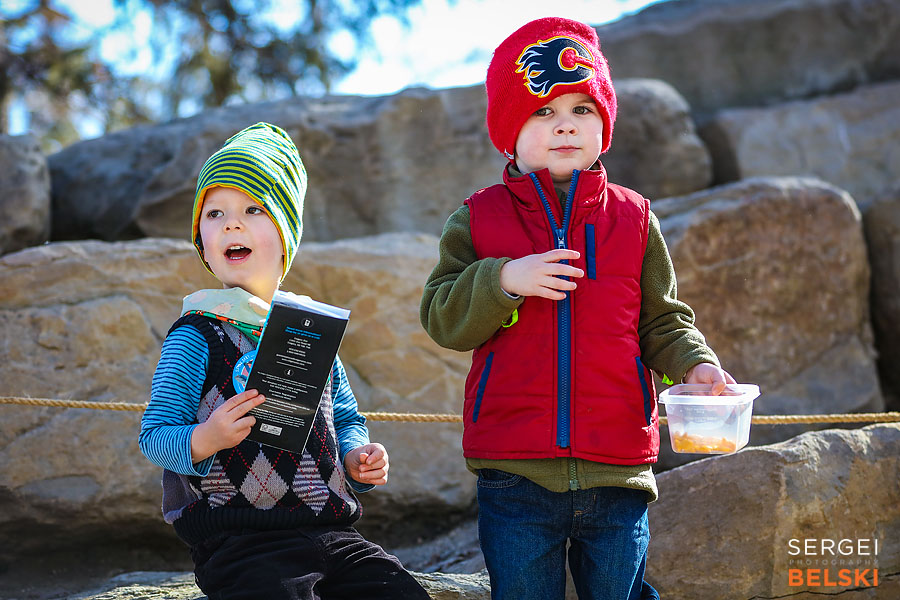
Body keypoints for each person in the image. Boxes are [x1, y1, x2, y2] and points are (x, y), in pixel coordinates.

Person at [420, 17, 735, 600]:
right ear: (509, 132)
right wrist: (504, 280)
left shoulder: (634, 218)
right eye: (541, 111)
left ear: (604, 124)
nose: (564, 124)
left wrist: (695, 365)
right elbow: (441, 316)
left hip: (618, 466)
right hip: (515, 472)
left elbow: (661, 320)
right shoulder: (479, 217)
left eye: (582, 109)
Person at [140, 122, 429, 600]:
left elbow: (347, 417)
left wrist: (358, 456)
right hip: (242, 541)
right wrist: (203, 438)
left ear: (286, 235)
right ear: (203, 243)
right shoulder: (197, 334)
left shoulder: (309, 330)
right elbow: (154, 437)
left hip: (333, 531)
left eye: (253, 209)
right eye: (214, 213)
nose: (231, 223)